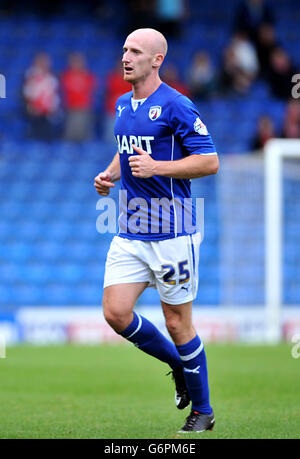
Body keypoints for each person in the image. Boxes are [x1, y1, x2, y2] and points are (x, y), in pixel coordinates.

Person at [94, 28, 219, 433]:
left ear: (156, 59)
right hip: (130, 229)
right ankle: (176, 365)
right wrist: (111, 173)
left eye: (135, 51)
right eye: (124, 49)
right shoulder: (122, 103)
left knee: (178, 322)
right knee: (115, 312)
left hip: (172, 233)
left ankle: (203, 411)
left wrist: (158, 168)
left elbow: (210, 161)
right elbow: (128, 148)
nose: (126, 57)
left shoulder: (177, 105)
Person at [23, 52, 60, 141]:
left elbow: (55, 93)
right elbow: (26, 93)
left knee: (48, 136)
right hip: (34, 112)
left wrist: (54, 107)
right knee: (35, 136)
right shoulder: (30, 76)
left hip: (49, 112)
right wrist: (30, 106)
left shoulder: (52, 76)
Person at [61, 52, 97, 142]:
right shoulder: (66, 75)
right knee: (71, 135)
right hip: (71, 109)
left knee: (84, 135)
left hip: (84, 109)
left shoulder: (88, 76)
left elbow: (92, 90)